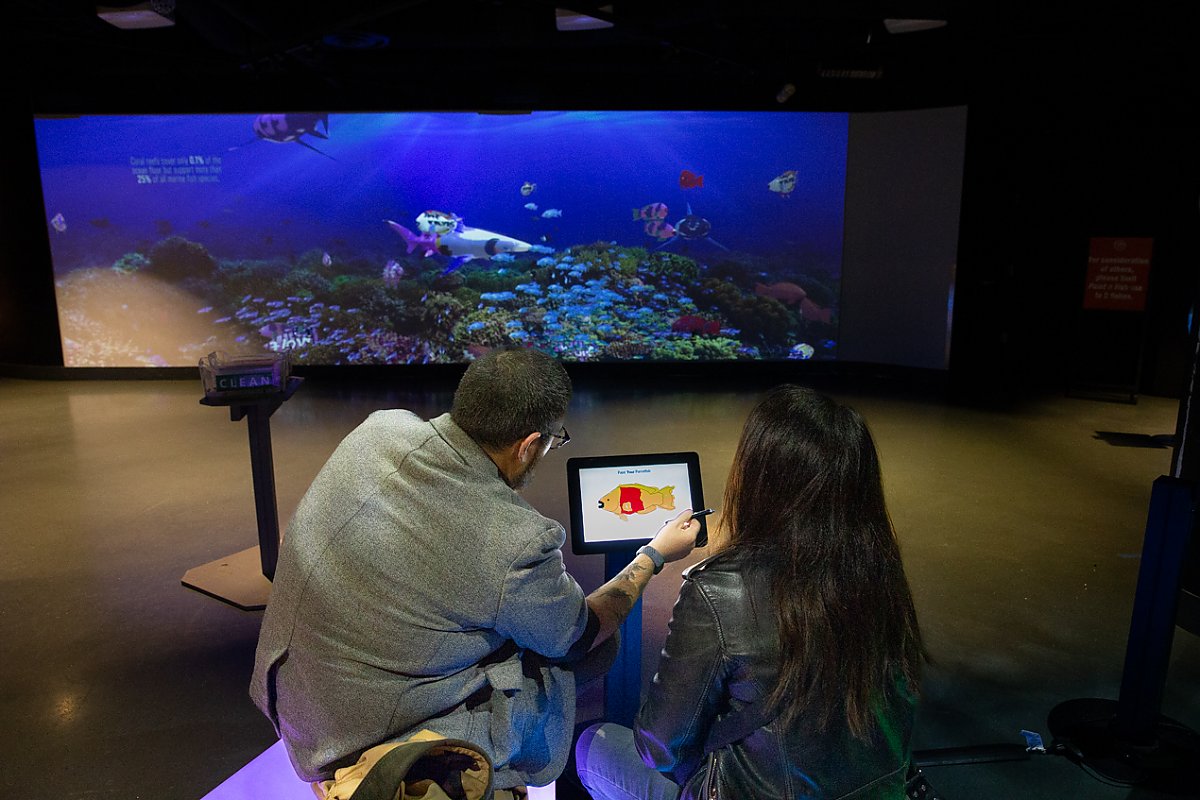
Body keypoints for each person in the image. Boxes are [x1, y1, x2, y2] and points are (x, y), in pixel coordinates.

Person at [249, 347, 700, 794]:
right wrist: (653, 556)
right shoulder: (514, 538)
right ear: (528, 446)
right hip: (363, 734)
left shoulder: (379, 428)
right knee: (596, 646)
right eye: (552, 439)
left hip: (295, 700)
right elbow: (579, 632)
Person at [575, 384, 924, 800]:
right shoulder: (881, 574)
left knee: (592, 746)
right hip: (874, 791)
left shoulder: (720, 589)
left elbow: (659, 748)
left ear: (759, 477)